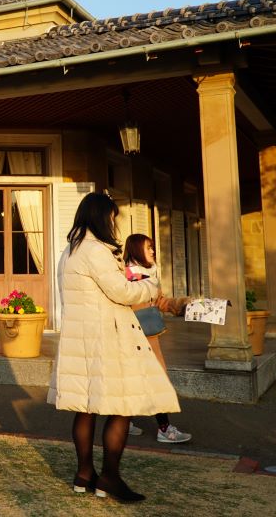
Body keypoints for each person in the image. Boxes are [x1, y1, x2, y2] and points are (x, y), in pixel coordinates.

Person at [48, 192, 180, 503]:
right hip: (107, 337)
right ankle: (109, 478)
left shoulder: (70, 251)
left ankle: (84, 474)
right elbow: (121, 292)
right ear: (101, 217)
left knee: (86, 407)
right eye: (112, 217)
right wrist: (149, 285)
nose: (114, 224)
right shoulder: (95, 250)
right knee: (122, 406)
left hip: (79, 337)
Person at [123, 234, 193, 444]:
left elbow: (160, 302)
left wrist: (183, 305)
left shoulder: (150, 275)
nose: (153, 251)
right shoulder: (127, 276)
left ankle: (124, 422)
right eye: (148, 247)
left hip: (149, 338)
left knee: (139, 382)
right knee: (153, 382)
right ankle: (164, 429)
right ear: (136, 250)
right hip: (133, 339)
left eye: (152, 247)